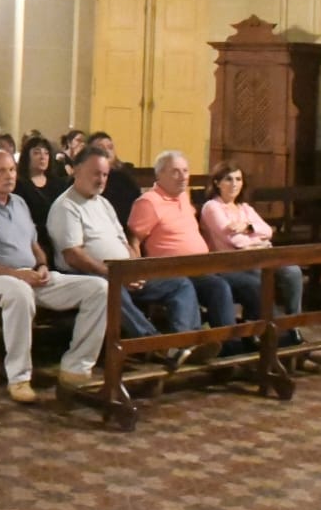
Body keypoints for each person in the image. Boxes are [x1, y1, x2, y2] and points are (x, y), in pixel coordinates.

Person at [0, 151, 108, 404]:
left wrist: (43, 265)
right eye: (1, 171)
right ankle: (19, 378)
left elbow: (34, 245)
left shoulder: (19, 203)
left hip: (30, 275)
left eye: (12, 170)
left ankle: (76, 367)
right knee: (20, 292)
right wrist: (15, 274)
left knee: (99, 288)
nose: (9, 176)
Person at [47, 146, 214, 369]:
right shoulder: (66, 206)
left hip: (123, 272)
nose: (101, 180)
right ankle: (155, 344)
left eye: (105, 175)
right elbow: (73, 255)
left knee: (179, 284)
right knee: (110, 289)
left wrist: (135, 269)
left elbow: (124, 241)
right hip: (90, 275)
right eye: (96, 173)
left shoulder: (103, 204)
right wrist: (114, 274)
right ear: (76, 170)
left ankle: (184, 342)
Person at [128, 151, 256, 351]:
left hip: (202, 264)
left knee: (250, 283)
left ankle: (262, 339)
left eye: (185, 171)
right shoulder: (148, 202)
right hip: (173, 270)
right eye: (175, 172)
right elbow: (133, 239)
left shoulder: (183, 196)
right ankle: (226, 348)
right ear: (160, 174)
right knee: (217, 287)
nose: (183, 177)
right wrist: (136, 270)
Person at [200, 161, 303, 341]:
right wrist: (258, 243)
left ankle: (293, 323)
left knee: (292, 271)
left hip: (258, 257)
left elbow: (268, 231)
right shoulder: (212, 207)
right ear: (217, 183)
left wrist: (248, 227)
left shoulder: (244, 208)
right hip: (231, 263)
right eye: (228, 179)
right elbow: (234, 240)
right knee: (261, 280)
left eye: (238, 179)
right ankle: (273, 332)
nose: (234, 184)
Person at [13, 135, 63, 260]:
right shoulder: (19, 185)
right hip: (33, 241)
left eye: (46, 153)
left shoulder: (58, 184)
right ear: (27, 157)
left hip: (57, 237)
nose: (42, 157)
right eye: (37, 153)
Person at [88, 132, 142, 229]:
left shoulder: (125, 179)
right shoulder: (84, 179)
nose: (106, 151)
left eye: (110, 147)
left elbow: (136, 207)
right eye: (100, 147)